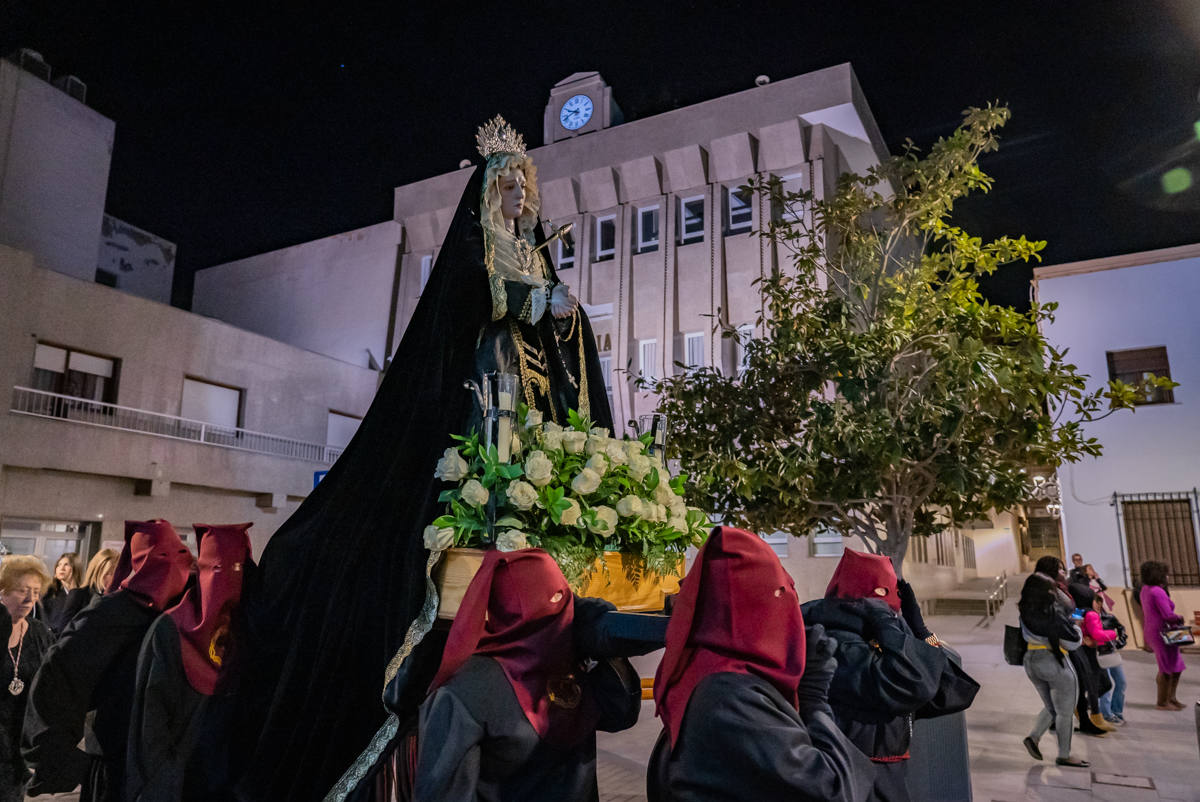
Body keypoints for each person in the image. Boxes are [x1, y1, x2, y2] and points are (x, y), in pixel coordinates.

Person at [232, 116, 613, 802]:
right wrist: (523, 298)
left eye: (522, 184)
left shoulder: (535, 252)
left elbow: (564, 342)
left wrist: (564, 315)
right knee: (474, 460)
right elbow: (461, 306)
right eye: (504, 183)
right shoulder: (474, 256)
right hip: (482, 393)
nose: (516, 195)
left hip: (534, 416)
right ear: (485, 191)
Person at [647, 526, 872, 802]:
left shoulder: (707, 672)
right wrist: (815, 702)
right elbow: (835, 792)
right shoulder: (729, 695)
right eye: (778, 594)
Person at [412, 548, 642, 801]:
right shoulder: (466, 692)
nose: (566, 608)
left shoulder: (570, 664)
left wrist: (601, 643)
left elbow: (619, 716)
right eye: (560, 597)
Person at [23, 520, 193, 802]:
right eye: (161, 557)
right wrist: (55, 753)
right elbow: (61, 672)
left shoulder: (181, 613)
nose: (169, 567)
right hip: (116, 755)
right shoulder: (113, 613)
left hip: (160, 755)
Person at [800, 549, 950, 802]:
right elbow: (913, 683)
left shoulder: (881, 634)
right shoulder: (836, 639)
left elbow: (943, 683)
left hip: (889, 766)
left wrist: (921, 631)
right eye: (881, 592)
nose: (888, 602)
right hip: (856, 769)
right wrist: (886, 623)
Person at [126, 523, 255, 802]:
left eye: (238, 571)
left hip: (234, 779)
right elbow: (151, 720)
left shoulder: (254, 626)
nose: (227, 583)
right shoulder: (170, 628)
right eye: (217, 570)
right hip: (180, 779)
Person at [1018, 573, 1088, 767]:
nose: (1054, 592)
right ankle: (1064, 754)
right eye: (1051, 589)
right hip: (1054, 661)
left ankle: (1034, 738)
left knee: (1051, 706)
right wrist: (1077, 626)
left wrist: (933, 641)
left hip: (1031, 661)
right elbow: (1072, 642)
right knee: (1065, 712)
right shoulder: (1051, 612)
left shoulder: (1023, 609)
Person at [0, 556, 53, 802]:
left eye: (35, 591)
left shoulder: (39, 633)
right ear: (3, 592)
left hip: (18, 744)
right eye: (22, 591)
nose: (30, 599)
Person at [1138, 560, 1187, 711]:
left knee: (1177, 666)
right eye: (1166, 574)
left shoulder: (1145, 589)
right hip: (1163, 632)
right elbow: (1167, 615)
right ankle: (1162, 702)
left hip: (1154, 631)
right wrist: (1179, 617)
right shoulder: (1157, 592)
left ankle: (1171, 698)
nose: (1168, 577)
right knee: (1166, 667)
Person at [1066, 583, 1115, 734]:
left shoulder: (1078, 611)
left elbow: (1073, 628)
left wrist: (1082, 638)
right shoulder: (1091, 614)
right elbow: (1098, 634)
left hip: (1081, 653)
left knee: (1094, 685)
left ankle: (1086, 710)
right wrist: (1113, 634)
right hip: (1090, 654)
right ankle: (1095, 716)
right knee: (1097, 685)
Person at [57, 548, 119, 631]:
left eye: (116, 573)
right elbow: (63, 631)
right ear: (97, 572)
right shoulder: (78, 595)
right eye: (109, 573)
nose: (113, 578)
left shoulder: (118, 598)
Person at [39, 552, 82, 635]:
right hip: (52, 637)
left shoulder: (84, 593)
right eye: (59, 565)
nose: (61, 568)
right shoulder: (49, 591)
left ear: (76, 568)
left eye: (66, 565)